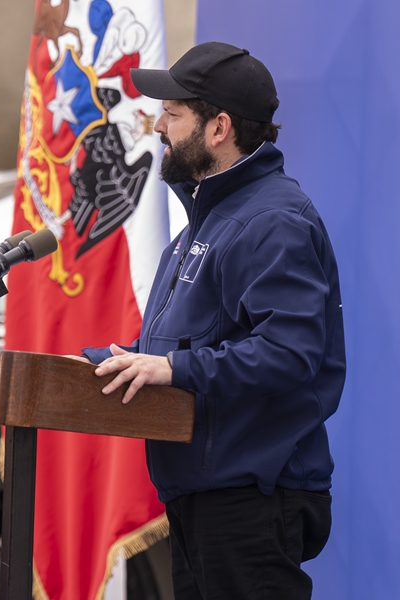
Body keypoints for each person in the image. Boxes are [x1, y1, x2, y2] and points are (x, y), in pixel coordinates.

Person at [78, 42, 345, 599]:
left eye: (172, 114)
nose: (158, 127)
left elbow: (289, 353)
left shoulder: (273, 221)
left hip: (252, 498)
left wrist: (174, 368)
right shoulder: (206, 221)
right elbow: (170, 347)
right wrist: (84, 364)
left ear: (219, 127)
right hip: (202, 495)